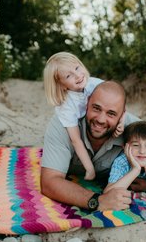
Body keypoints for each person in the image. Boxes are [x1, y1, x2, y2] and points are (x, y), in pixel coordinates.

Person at [41, 80, 146, 211]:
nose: (100, 119)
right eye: (96, 108)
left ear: (122, 115)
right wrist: (96, 201)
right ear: (86, 104)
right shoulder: (64, 123)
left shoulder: (134, 131)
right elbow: (49, 181)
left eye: (111, 113)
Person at [43, 52, 124, 180]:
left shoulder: (94, 84)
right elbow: (76, 140)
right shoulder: (66, 106)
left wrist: (121, 122)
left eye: (77, 68)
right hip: (80, 131)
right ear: (61, 85)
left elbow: (118, 100)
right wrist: (90, 168)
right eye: (69, 76)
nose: (77, 76)